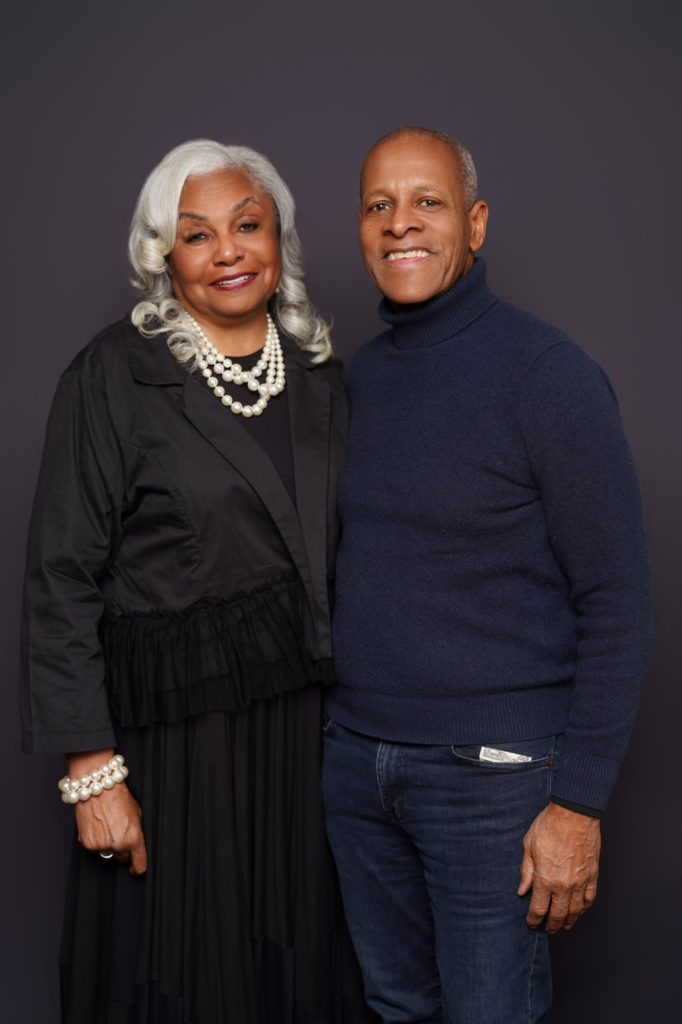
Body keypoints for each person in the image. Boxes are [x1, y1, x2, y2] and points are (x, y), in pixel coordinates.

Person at [21, 139, 371, 1024]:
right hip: (174, 754)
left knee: (302, 974)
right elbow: (60, 575)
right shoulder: (112, 376)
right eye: (196, 234)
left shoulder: (326, 380)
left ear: (278, 237)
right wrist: (92, 773)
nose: (227, 252)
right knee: (184, 979)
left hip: (308, 746)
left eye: (247, 225)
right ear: (163, 254)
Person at [322, 126, 653, 1024]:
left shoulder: (549, 376)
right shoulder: (364, 378)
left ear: (474, 225)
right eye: (379, 206)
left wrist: (577, 805)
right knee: (397, 1007)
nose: (400, 224)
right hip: (355, 764)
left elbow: (618, 600)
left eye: (426, 202)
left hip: (493, 779)